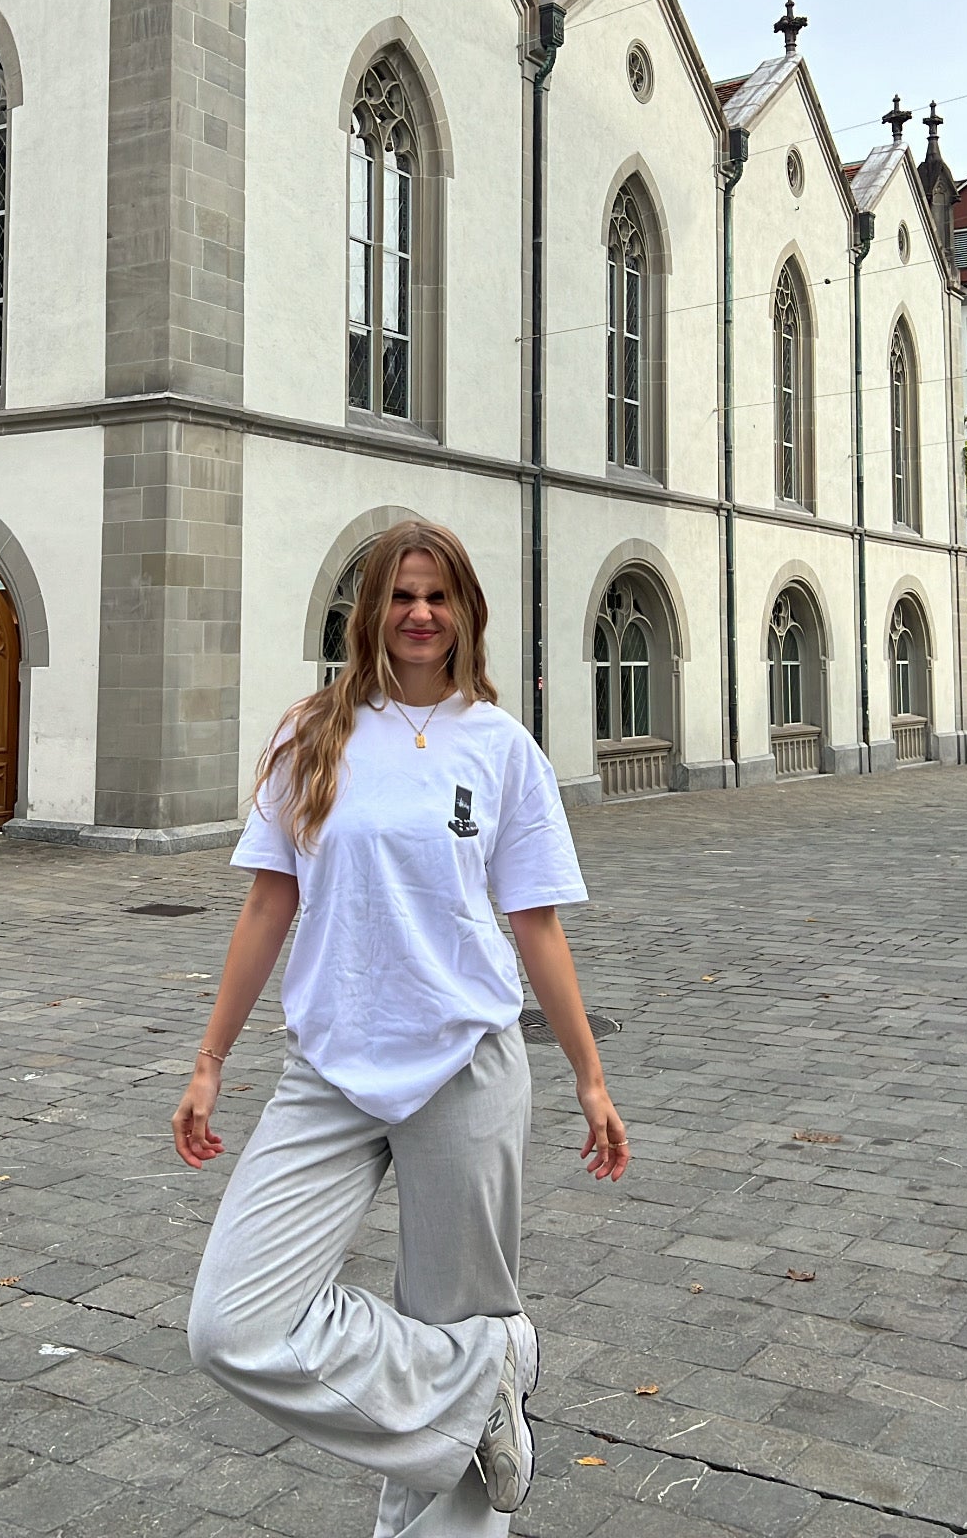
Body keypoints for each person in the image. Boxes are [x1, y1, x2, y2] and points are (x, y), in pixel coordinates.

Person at [175, 522, 630, 1538]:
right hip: (327, 1069)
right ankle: (486, 1376)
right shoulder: (313, 734)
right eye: (400, 595)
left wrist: (590, 1079)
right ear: (369, 610)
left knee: (446, 1322)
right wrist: (209, 1061)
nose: (420, 614)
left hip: (465, 1065)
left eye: (438, 596)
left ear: (466, 611)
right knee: (232, 1322)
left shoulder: (501, 747)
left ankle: (464, 1423)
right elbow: (267, 906)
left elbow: (536, 923)